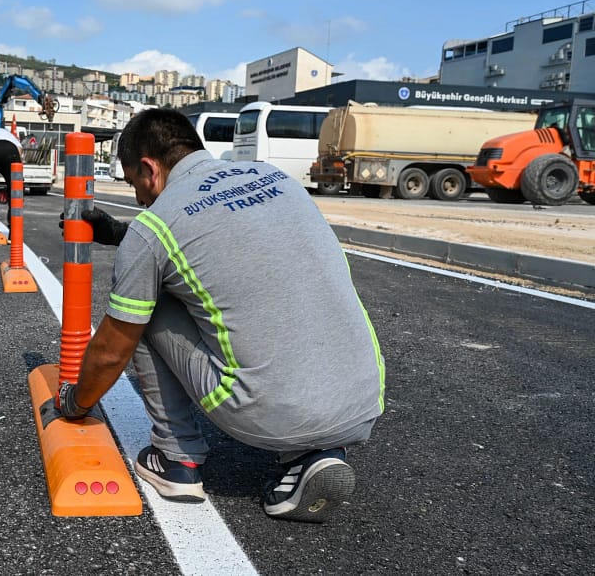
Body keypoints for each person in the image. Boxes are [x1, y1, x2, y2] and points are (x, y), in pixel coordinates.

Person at [56, 108, 385, 523]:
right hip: (363, 400)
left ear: (148, 168)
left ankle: (176, 460)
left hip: (266, 414)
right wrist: (123, 234)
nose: (139, 199)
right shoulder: (277, 179)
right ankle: (314, 451)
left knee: (144, 305)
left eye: (134, 184)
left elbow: (110, 350)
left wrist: (75, 402)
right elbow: (230, 246)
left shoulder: (153, 228)